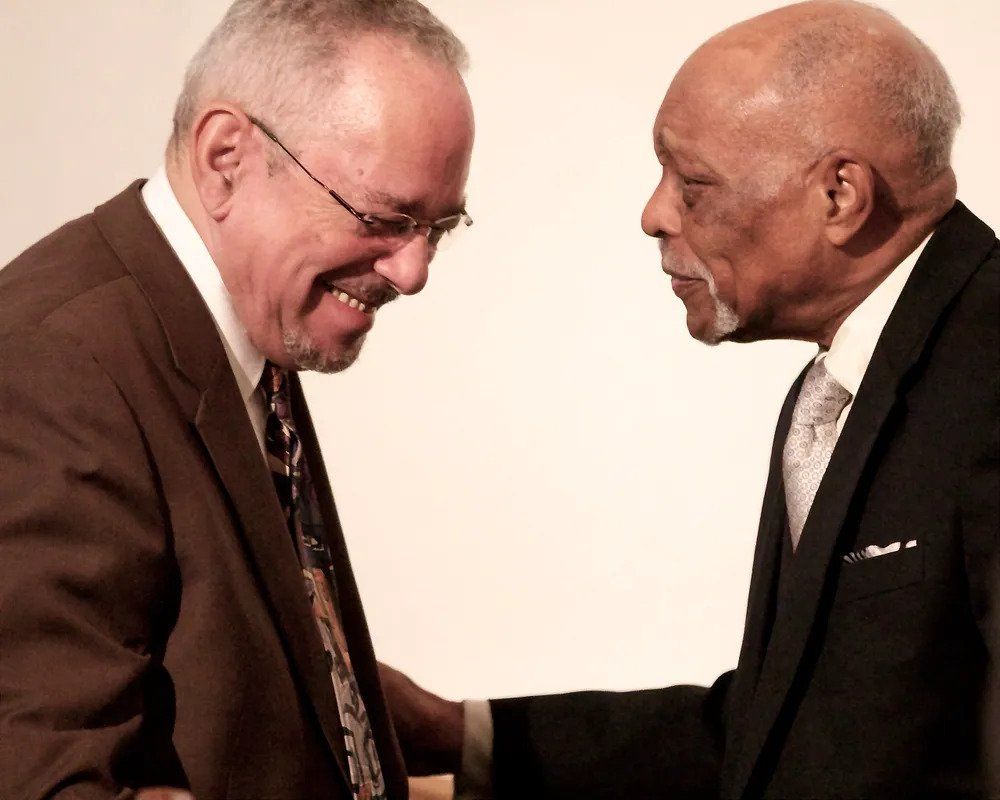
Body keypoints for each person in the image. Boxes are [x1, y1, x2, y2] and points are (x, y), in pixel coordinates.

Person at [381, 1, 999, 797]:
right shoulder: (838, 390)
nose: (654, 214)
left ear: (841, 195)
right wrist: (460, 732)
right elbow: (777, 737)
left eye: (693, 183)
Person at [0, 1, 474, 798]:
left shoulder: (243, 324)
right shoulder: (57, 366)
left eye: (440, 227)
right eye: (384, 218)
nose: (412, 272)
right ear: (227, 157)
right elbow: (42, 774)